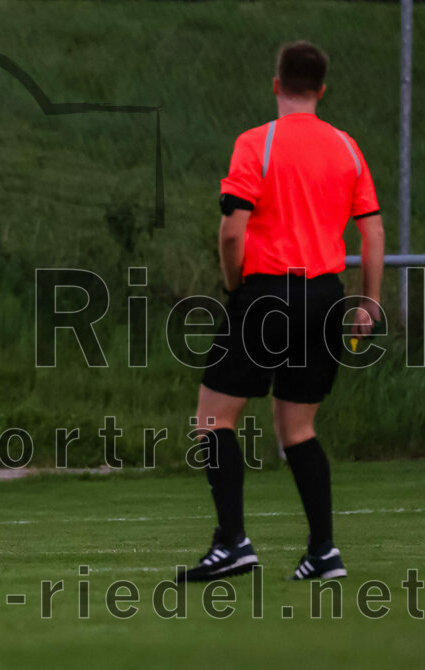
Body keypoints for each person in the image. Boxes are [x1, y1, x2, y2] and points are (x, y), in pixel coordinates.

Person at [176, 42, 384, 582]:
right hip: (325, 297)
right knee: (298, 429)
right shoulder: (347, 147)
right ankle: (324, 552)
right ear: (321, 90)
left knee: (213, 418)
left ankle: (233, 544)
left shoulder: (258, 143)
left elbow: (231, 229)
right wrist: (370, 300)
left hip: (268, 292)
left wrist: (232, 282)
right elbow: (372, 229)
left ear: (276, 84)